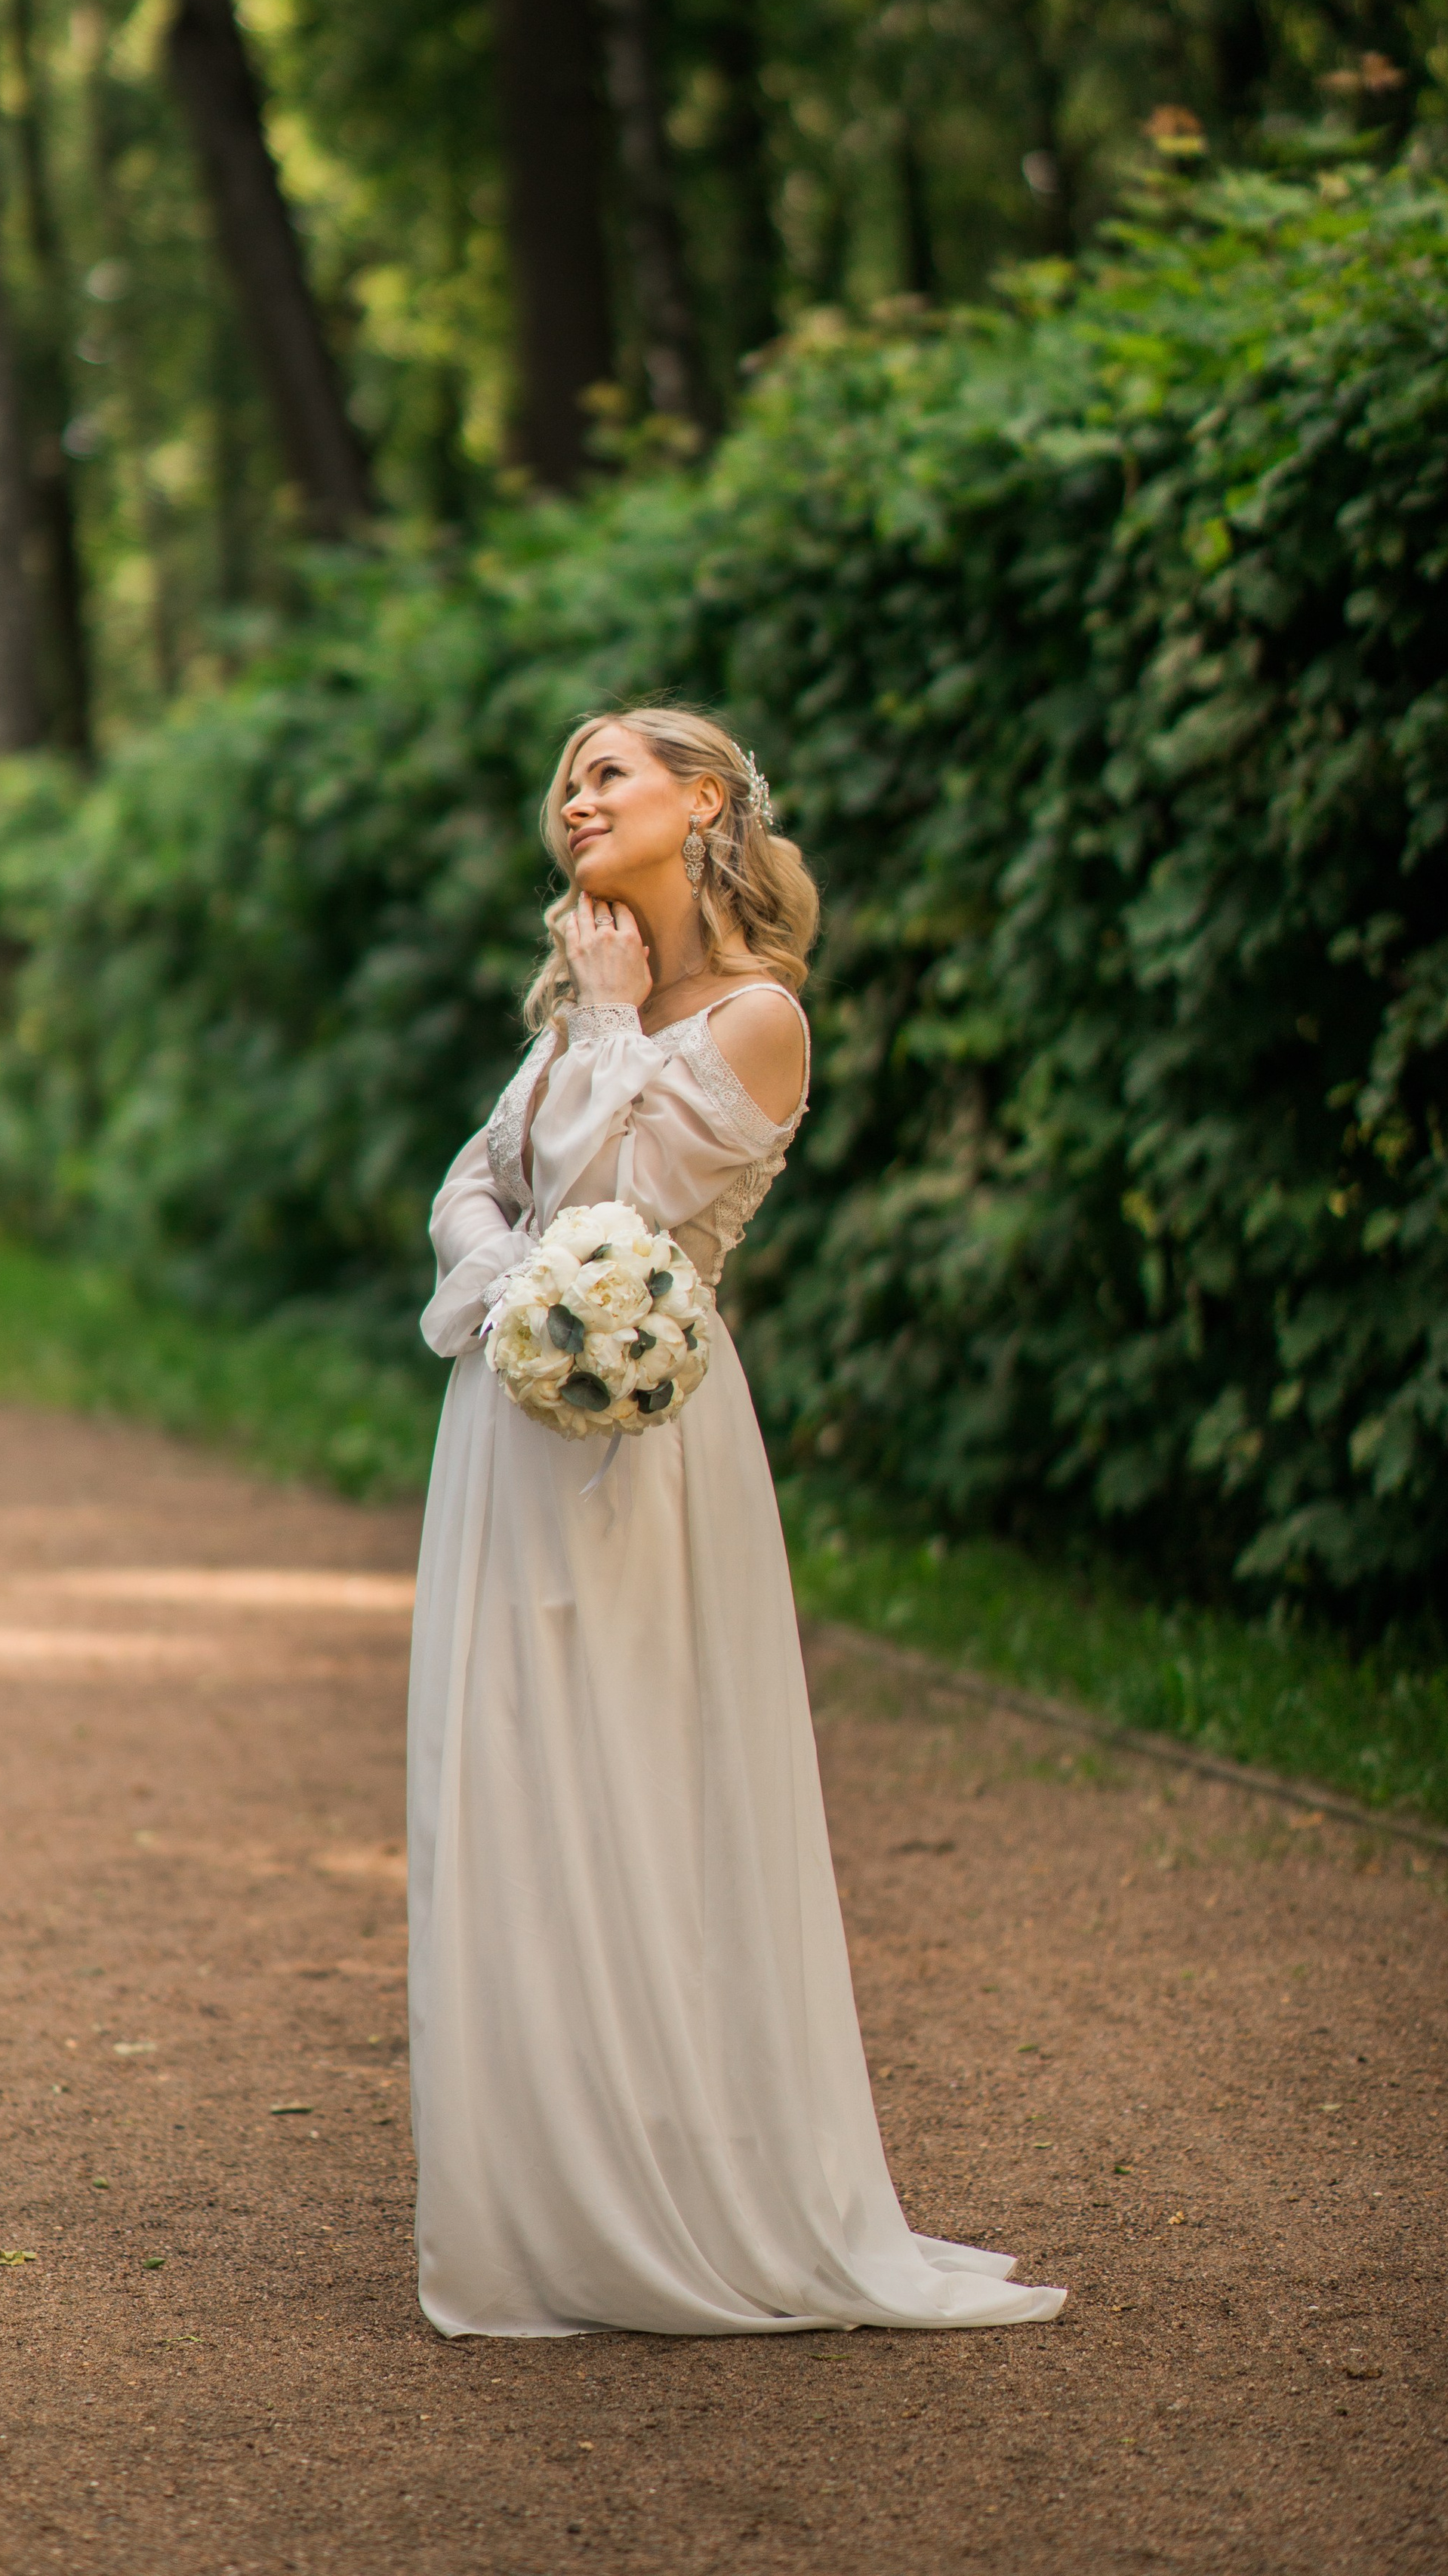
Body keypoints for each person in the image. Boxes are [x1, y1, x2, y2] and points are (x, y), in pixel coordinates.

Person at [405, 703, 1065, 2340]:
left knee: (644, 1779)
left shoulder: (753, 1019)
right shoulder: (573, 1019)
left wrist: (617, 1029)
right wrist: (506, 1295)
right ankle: (553, 2203)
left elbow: (625, 1224)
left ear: (702, 802)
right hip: (506, 1432)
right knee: (515, 1773)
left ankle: (694, 2197)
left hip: (655, 1449)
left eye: (606, 770)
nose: (573, 797)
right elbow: (472, 1192)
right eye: (560, 777)